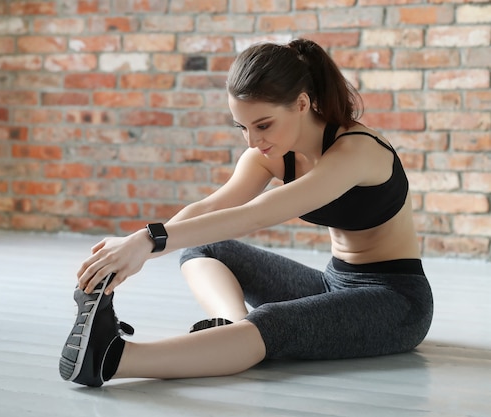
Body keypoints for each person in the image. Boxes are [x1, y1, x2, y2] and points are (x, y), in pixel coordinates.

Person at [59, 38, 434, 387]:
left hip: (396, 300)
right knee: (206, 248)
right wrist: (134, 247)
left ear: (302, 104)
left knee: (273, 325)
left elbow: (257, 214)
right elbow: (210, 208)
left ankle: (112, 359)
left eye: (263, 125)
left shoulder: (357, 151)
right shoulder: (271, 153)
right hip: (332, 283)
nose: (252, 141)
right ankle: (232, 327)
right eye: (242, 127)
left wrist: (148, 241)